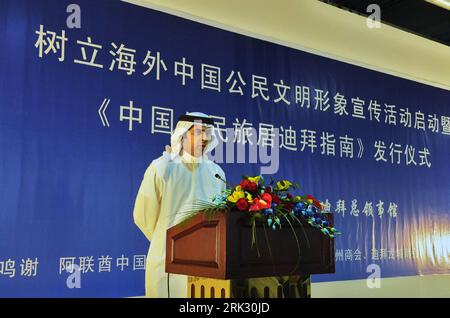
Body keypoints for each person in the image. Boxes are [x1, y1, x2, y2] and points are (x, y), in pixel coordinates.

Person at [133, 112, 226, 298]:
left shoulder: (216, 172)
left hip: (207, 264)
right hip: (167, 261)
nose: (205, 138)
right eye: (198, 132)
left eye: (208, 133)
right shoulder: (161, 168)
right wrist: (165, 242)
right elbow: (143, 215)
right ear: (182, 135)